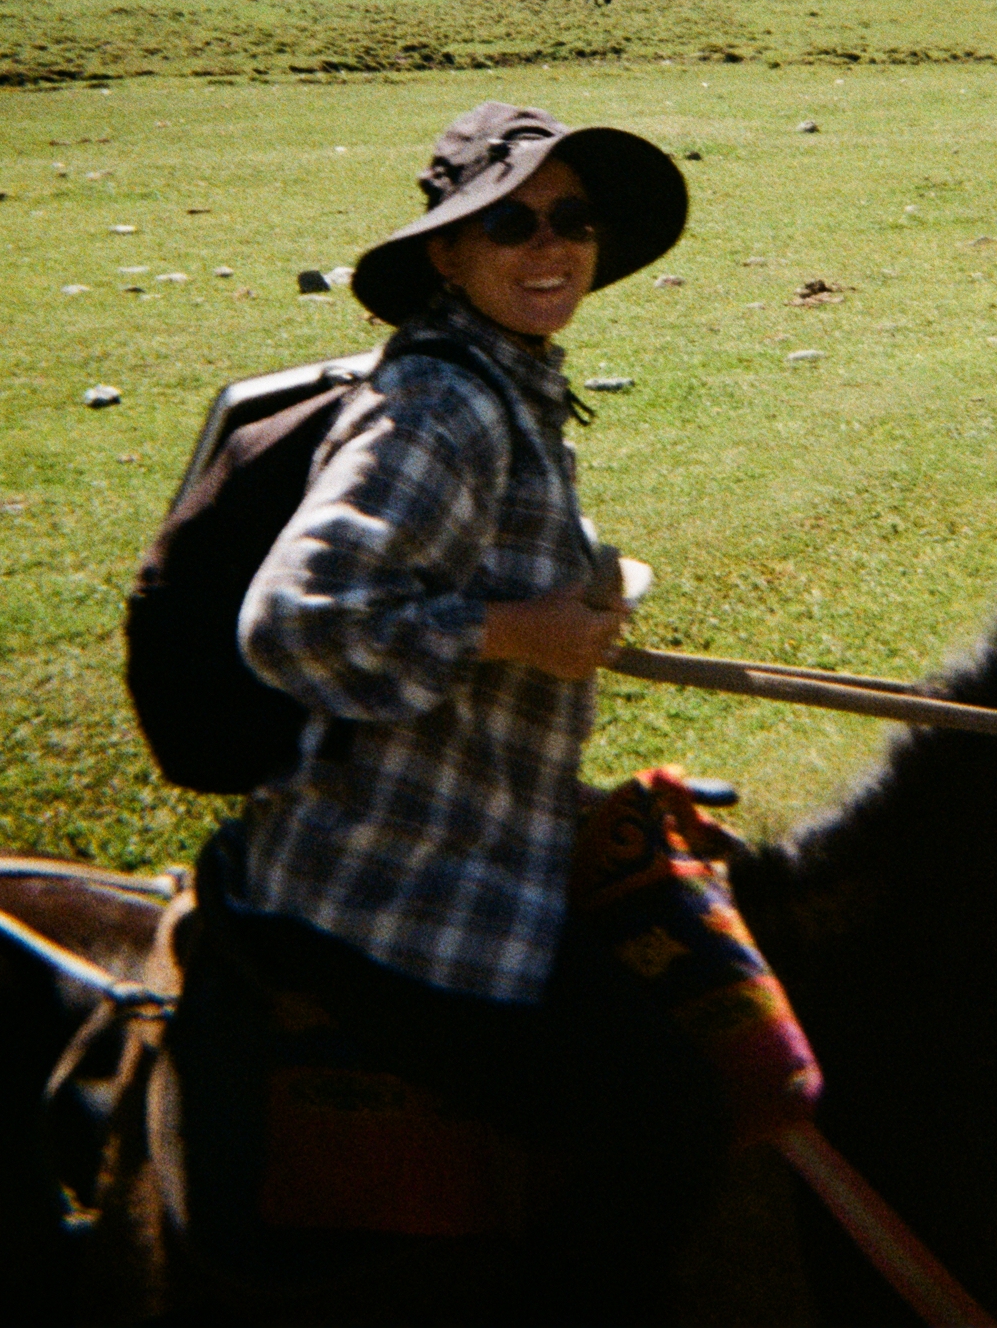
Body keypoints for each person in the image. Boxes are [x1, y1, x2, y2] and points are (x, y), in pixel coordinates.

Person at [172, 99, 709, 1317]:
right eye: (510, 222)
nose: (550, 245)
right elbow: (294, 621)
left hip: (471, 831)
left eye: (572, 218)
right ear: (448, 254)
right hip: (399, 888)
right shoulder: (441, 404)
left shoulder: (507, 379)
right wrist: (517, 630)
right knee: (663, 1110)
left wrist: (565, 604)